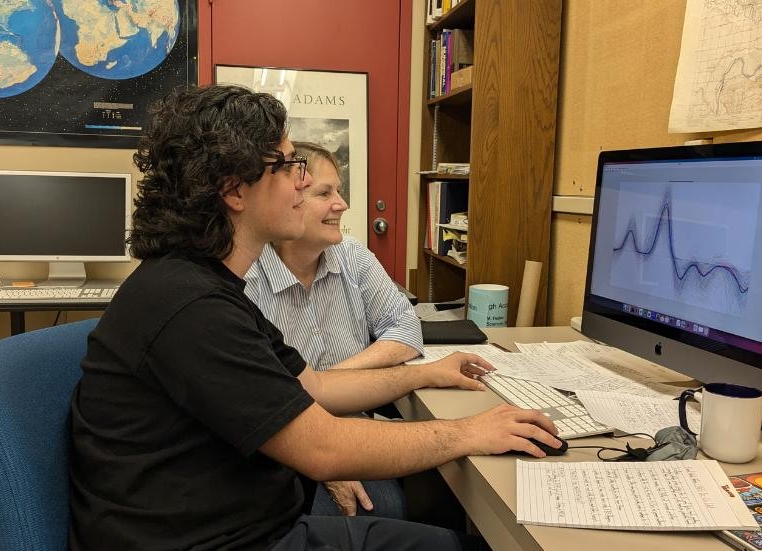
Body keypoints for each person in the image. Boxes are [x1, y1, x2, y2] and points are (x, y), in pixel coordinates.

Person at [69, 84, 562, 551]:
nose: (303, 181)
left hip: (244, 524)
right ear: (234, 190)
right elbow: (322, 450)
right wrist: (470, 432)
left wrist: (428, 373)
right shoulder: (191, 307)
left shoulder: (201, 284)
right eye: (287, 166)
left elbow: (317, 387)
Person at [245, 142, 421, 519]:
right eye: (325, 193)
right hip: (280, 438)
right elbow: (259, 400)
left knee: (387, 506)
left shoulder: (352, 255)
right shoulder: (248, 277)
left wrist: (324, 381)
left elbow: (405, 328)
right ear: (288, 201)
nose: (341, 205)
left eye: (338, 192)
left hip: (353, 425)